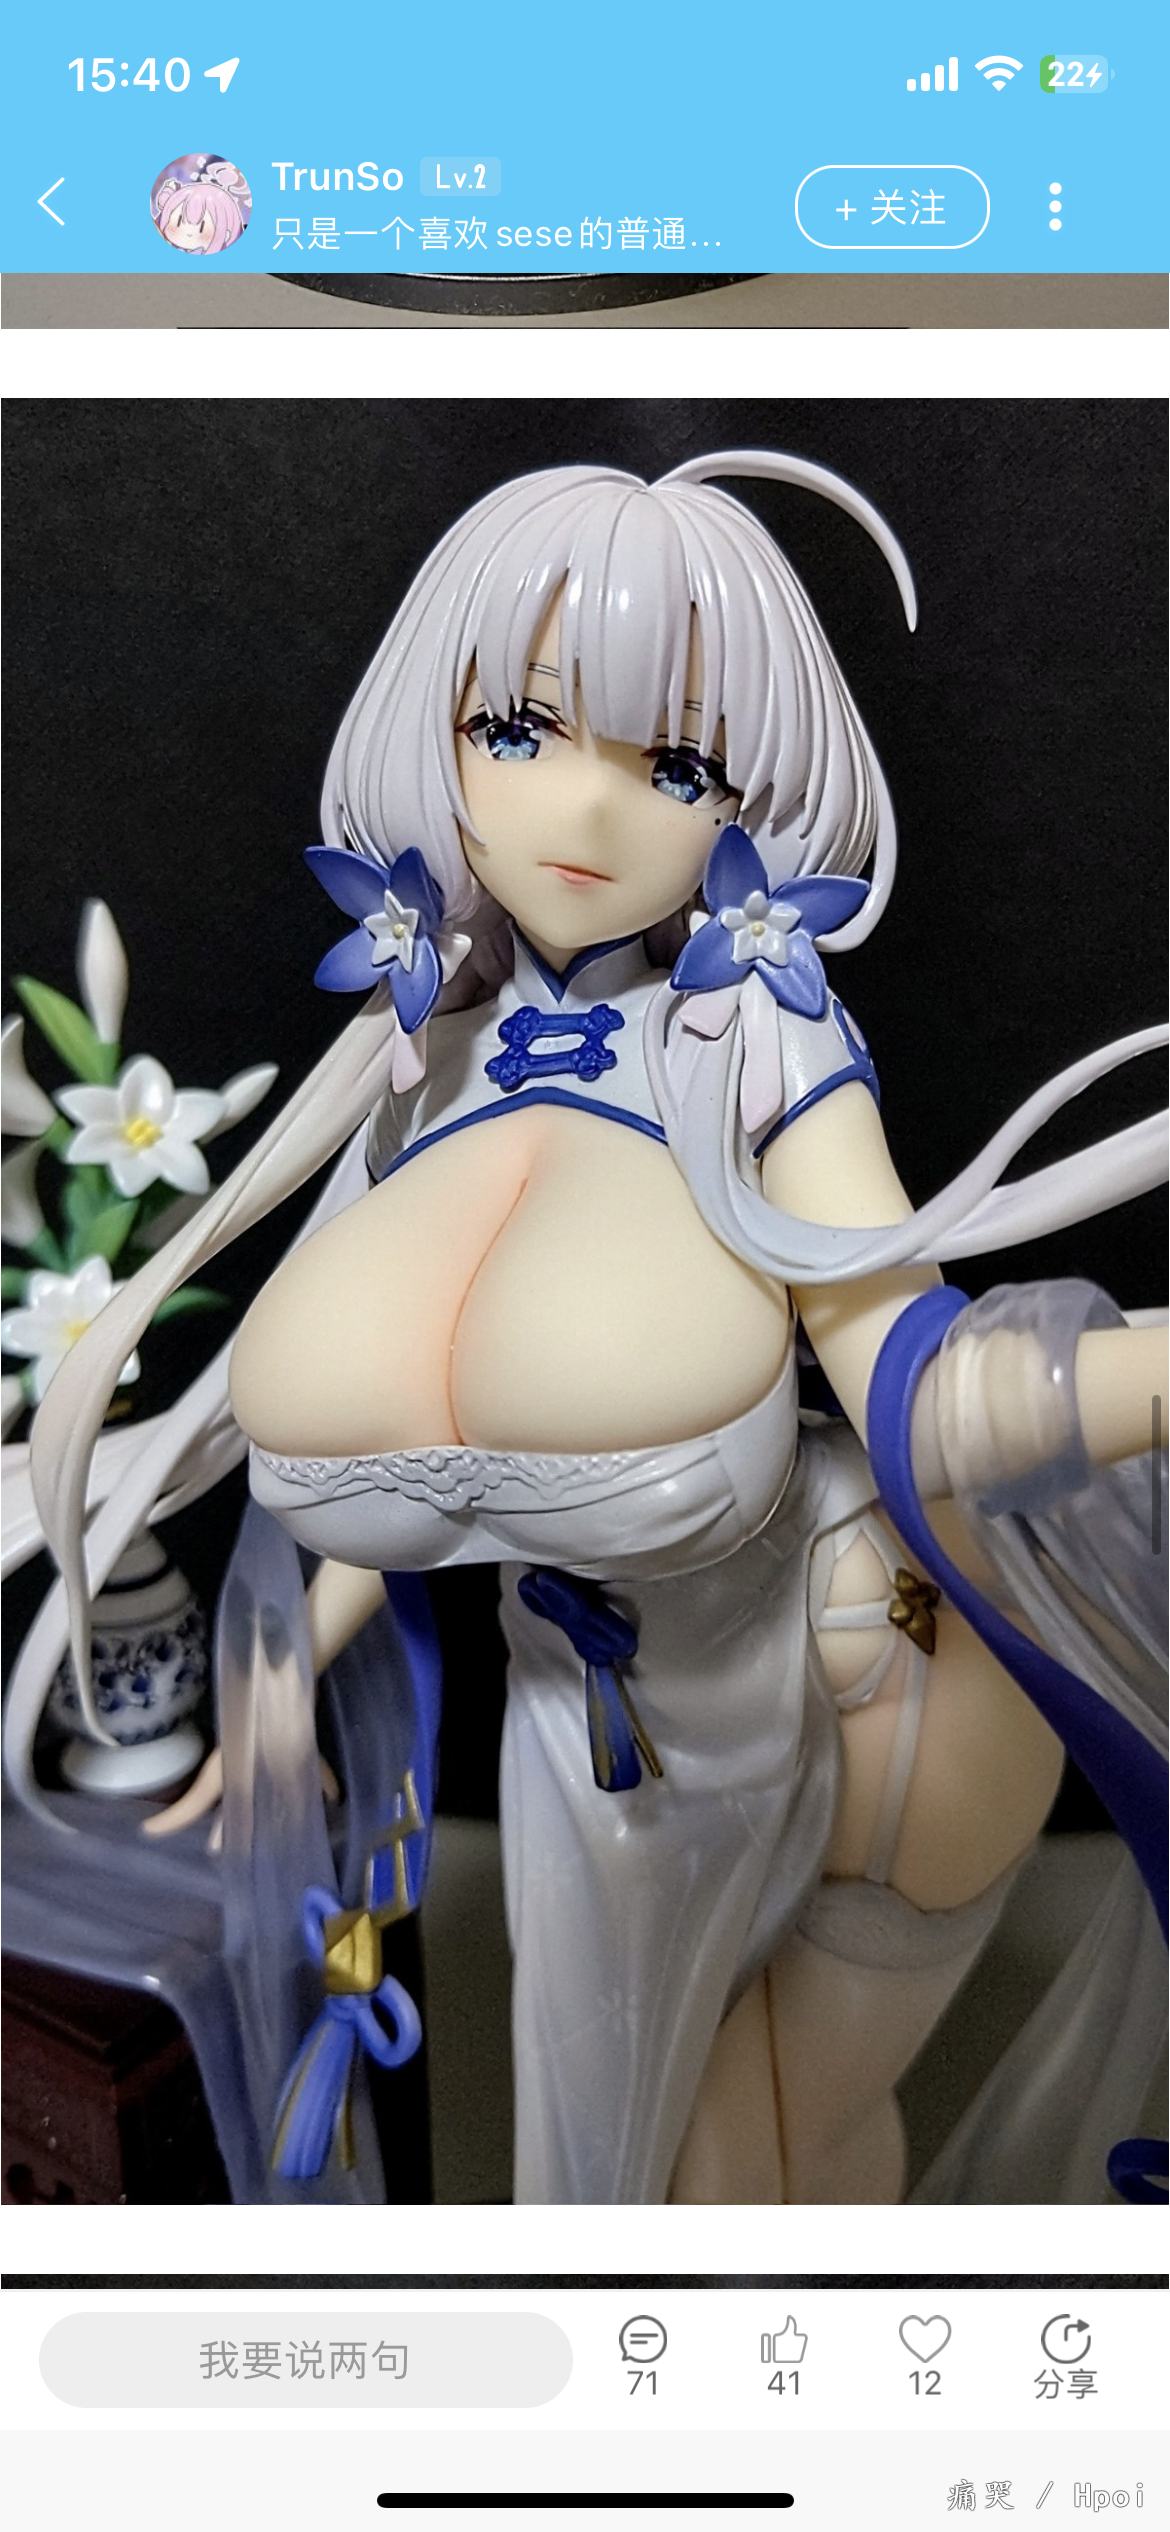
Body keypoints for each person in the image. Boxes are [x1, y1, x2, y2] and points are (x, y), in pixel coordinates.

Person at [6, 453, 1166, 2205]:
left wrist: (1142, 1375)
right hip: (594, 1731)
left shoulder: (757, 1028)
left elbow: (918, 1390)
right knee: (629, 2187)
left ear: (746, 801)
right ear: (438, 728)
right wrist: (278, 1692)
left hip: (863, 1678)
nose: (588, 810)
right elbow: (394, 1461)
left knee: (742, 2179)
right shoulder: (417, 1051)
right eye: (518, 727)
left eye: (675, 765)